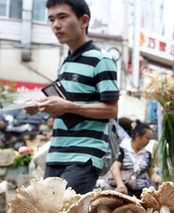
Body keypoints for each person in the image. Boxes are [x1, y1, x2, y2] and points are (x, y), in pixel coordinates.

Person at [26, 0, 119, 194]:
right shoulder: (64, 62)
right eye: (51, 19)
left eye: (62, 17)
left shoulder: (102, 59)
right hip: (56, 155)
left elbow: (112, 110)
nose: (56, 25)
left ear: (83, 20)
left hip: (84, 156)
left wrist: (69, 107)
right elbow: (64, 104)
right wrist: (41, 105)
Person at [108, 120, 161, 198]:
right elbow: (115, 167)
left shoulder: (147, 154)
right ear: (137, 136)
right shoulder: (122, 149)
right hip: (124, 189)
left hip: (141, 190)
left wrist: (156, 178)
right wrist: (120, 184)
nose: (148, 142)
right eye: (147, 138)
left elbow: (152, 173)